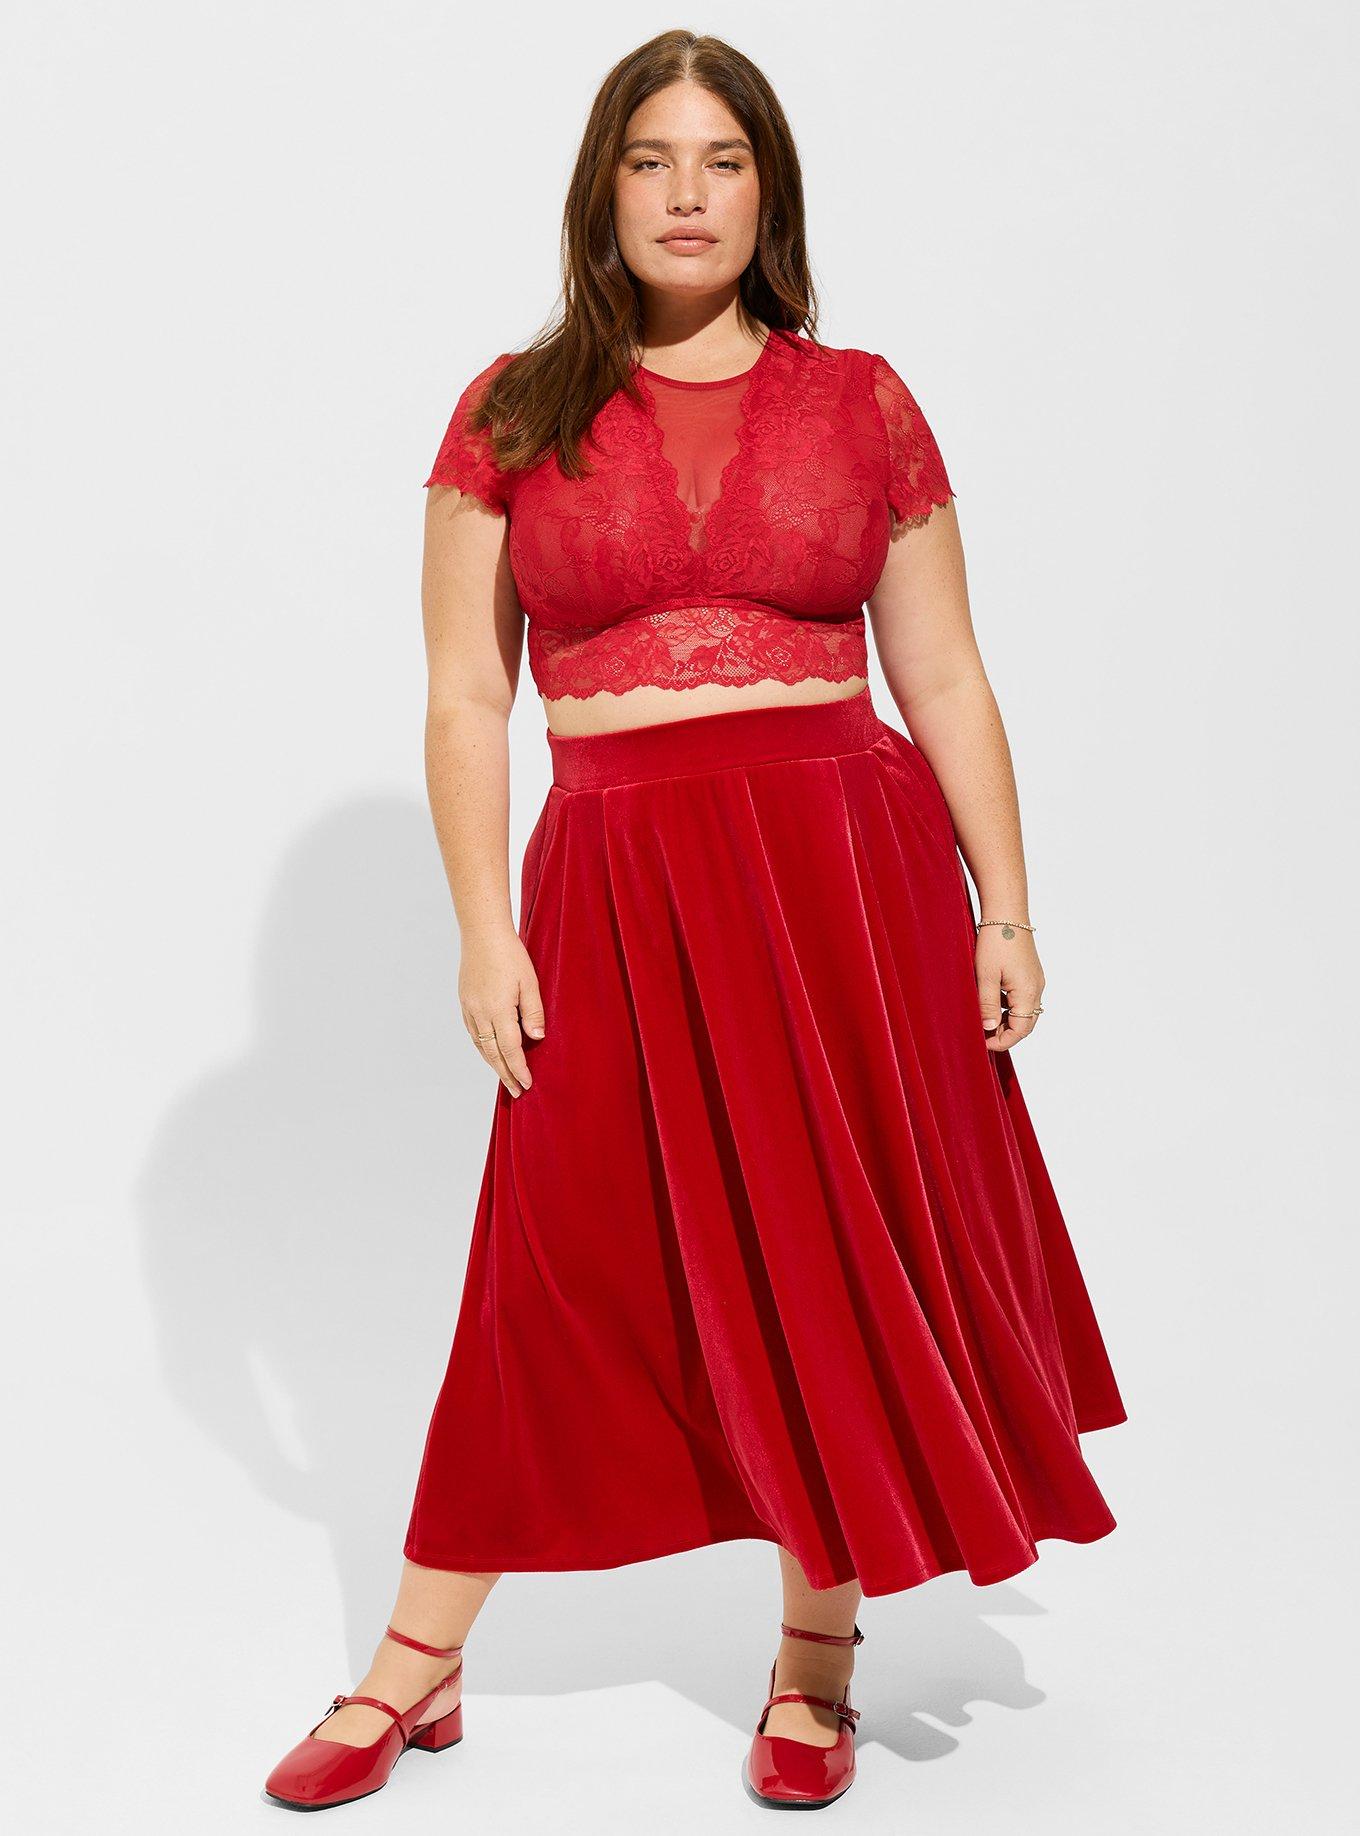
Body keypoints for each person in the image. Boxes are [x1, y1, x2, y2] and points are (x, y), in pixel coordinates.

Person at [263, 27, 1127, 1816]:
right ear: (603, 189)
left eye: (722, 160)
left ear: (766, 191)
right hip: (616, 882)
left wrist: (1010, 908)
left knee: (833, 1246)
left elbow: (946, 675)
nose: (685, 193)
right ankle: (417, 1660)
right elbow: (463, 697)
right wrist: (483, 927)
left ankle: (817, 1658)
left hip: (849, 882)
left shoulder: (863, 401)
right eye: (651, 159)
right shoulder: (512, 411)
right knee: (550, 1265)